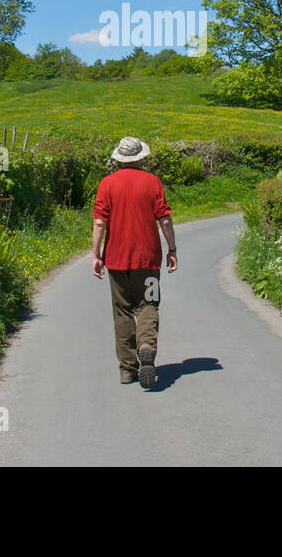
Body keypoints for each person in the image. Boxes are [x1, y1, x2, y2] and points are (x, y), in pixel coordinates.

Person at [92, 136, 178, 389]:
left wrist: (97, 255)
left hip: (117, 260)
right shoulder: (152, 182)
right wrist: (172, 249)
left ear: (119, 158)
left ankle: (127, 370)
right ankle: (147, 345)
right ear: (141, 157)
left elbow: (99, 222)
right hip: (148, 260)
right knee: (149, 303)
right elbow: (164, 220)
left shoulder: (107, 184)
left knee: (123, 310)